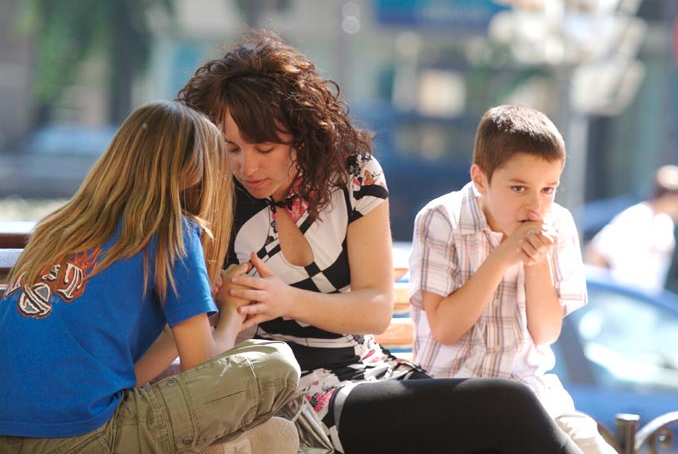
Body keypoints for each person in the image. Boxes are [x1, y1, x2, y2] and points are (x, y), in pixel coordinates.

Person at [177, 28, 585, 454]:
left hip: (367, 373)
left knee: (503, 411)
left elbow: (375, 309)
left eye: (264, 149)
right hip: (289, 393)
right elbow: (198, 335)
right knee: (505, 404)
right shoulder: (212, 195)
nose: (247, 167)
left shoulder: (355, 177)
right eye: (231, 149)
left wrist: (287, 300)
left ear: (300, 133)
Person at [0, 102, 300, 453]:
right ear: (195, 174)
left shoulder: (59, 228)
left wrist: (186, 324)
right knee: (277, 364)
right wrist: (231, 314)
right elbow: (203, 369)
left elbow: (121, 380)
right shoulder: (173, 231)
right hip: (82, 440)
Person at [408, 104, 616, 454]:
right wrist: (504, 254)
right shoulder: (442, 218)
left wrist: (536, 261)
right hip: (452, 394)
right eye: (519, 188)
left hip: (531, 394)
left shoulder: (558, 223)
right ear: (480, 179)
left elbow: (545, 333)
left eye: (548, 189)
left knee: (593, 447)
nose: (535, 206)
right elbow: (445, 329)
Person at [583, 164, 678, 294]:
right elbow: (597, 252)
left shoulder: (665, 223)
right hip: (625, 299)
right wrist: (607, 292)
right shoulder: (636, 218)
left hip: (647, 299)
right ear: (671, 197)